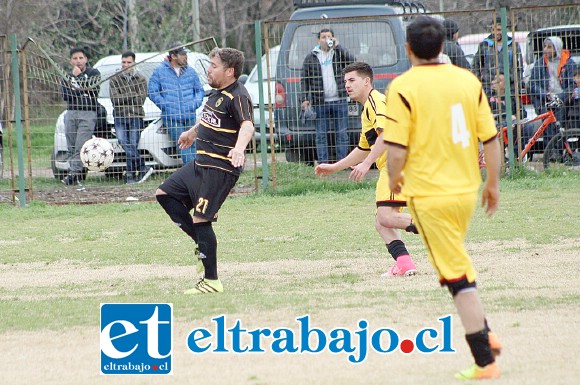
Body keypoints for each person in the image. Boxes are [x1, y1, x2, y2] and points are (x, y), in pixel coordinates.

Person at [383, 16, 503, 380]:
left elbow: (396, 147)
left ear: (408, 49)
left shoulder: (402, 87)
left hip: (429, 195)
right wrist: (493, 183)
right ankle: (489, 337)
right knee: (456, 260)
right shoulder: (467, 80)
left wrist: (394, 178)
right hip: (465, 190)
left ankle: (485, 362)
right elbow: (491, 138)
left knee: (456, 277)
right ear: (442, 46)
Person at [155, 47, 254, 294]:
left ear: (229, 71)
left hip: (220, 167)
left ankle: (212, 281)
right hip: (201, 163)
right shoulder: (217, 94)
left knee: (201, 218)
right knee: (164, 194)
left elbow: (247, 125)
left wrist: (240, 149)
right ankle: (202, 246)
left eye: (213, 66)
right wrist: (192, 132)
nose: (208, 69)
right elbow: (210, 118)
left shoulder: (238, 96)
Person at [315, 62, 418, 277]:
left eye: (352, 80)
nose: (347, 85)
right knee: (381, 223)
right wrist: (334, 168)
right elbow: (363, 148)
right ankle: (405, 263)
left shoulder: (376, 101)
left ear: (366, 81)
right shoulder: (367, 110)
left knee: (386, 217)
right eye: (344, 81)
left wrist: (366, 164)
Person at [301, 28, 356, 163]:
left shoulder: (338, 53)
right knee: (321, 135)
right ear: (318, 40)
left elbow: (353, 61)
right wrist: (304, 99)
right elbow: (304, 79)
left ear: (333, 39)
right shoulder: (311, 56)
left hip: (340, 99)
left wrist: (339, 47)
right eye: (323, 37)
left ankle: (342, 163)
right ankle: (323, 164)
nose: (326, 39)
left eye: (329, 37)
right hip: (320, 102)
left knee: (342, 133)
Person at [148, 42, 205, 165]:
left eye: (186, 54)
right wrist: (166, 105)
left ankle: (195, 172)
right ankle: (193, 173)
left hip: (189, 115)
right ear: (173, 56)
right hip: (172, 118)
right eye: (182, 54)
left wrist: (194, 103)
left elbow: (199, 90)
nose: (186, 57)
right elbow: (152, 92)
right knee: (183, 145)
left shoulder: (190, 71)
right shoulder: (159, 71)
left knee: (192, 144)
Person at [60, 47, 101, 187]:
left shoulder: (93, 73)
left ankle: (73, 174)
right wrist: (81, 90)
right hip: (71, 112)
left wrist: (78, 80)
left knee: (80, 145)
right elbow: (66, 96)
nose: (78, 61)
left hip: (87, 112)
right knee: (71, 145)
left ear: (86, 59)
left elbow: (93, 91)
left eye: (81, 58)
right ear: (71, 61)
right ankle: (78, 175)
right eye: (75, 58)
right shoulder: (67, 76)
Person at [109, 52, 152, 184]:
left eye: (129, 62)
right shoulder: (114, 79)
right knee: (123, 141)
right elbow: (115, 100)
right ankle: (143, 167)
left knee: (133, 143)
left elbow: (140, 99)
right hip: (120, 116)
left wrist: (126, 96)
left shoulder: (141, 79)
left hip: (136, 115)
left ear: (134, 63)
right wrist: (132, 94)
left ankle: (131, 175)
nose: (126, 65)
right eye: (124, 62)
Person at [528, 36, 576, 143]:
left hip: (562, 99)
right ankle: (549, 152)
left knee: (559, 123)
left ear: (557, 48)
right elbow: (533, 84)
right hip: (545, 99)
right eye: (545, 47)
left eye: (549, 47)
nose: (545, 50)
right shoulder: (540, 63)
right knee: (547, 125)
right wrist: (545, 94)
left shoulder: (568, 62)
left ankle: (559, 151)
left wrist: (560, 96)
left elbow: (572, 84)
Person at [472, 16, 523, 96]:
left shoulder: (513, 45)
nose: (495, 33)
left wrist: (513, 83)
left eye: (499, 30)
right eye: (493, 30)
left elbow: (519, 68)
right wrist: (482, 83)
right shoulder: (484, 45)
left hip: (509, 88)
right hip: (488, 88)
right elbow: (476, 66)